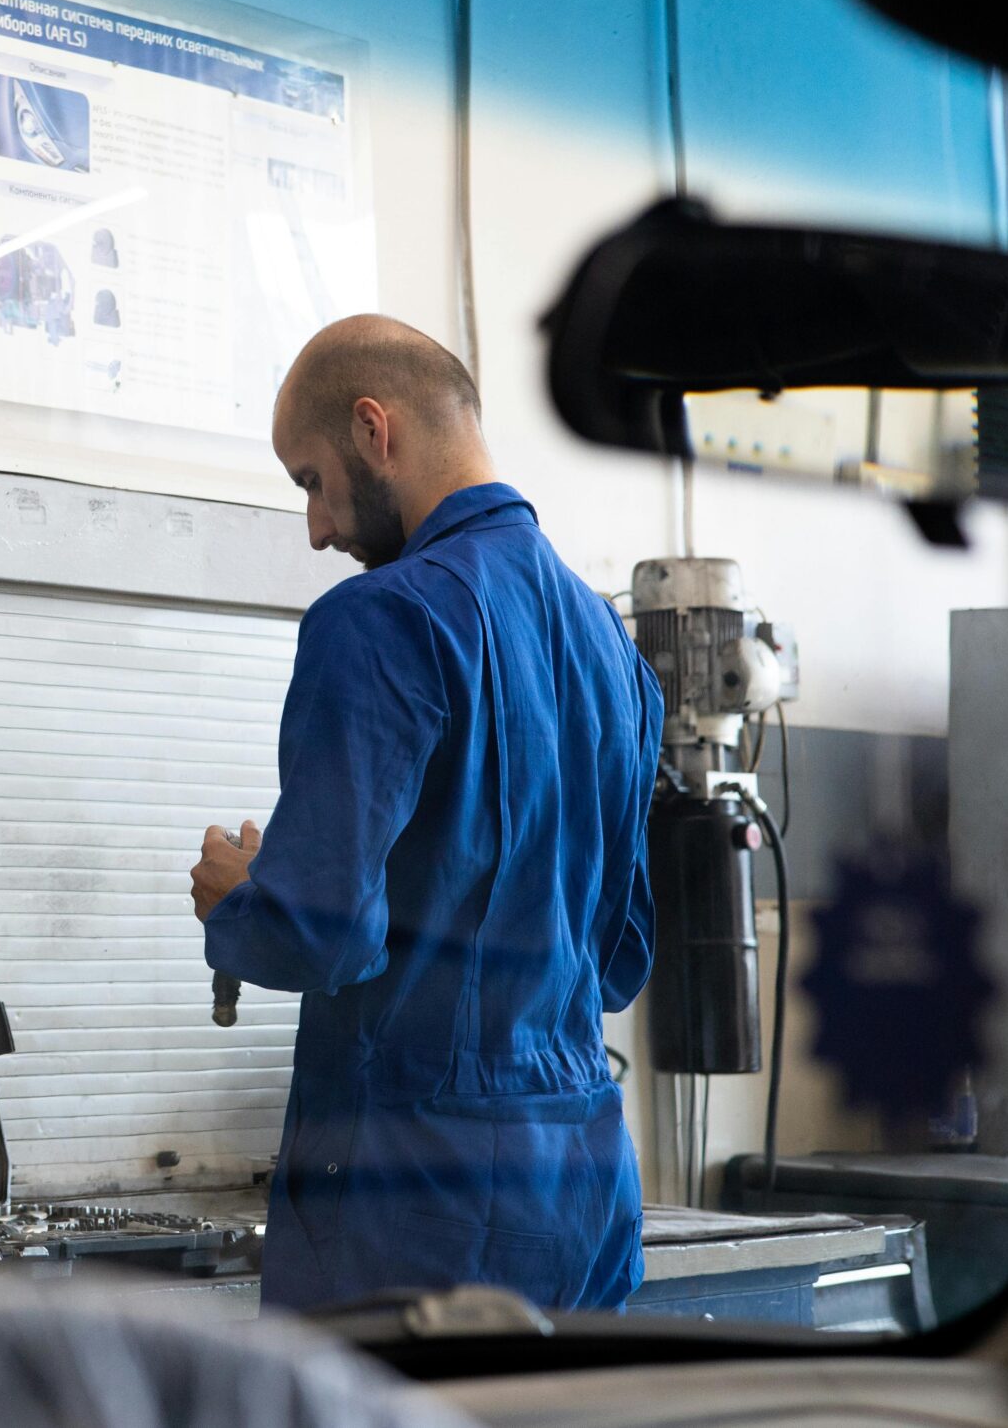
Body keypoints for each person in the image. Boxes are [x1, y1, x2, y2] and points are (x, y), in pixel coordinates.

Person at [191, 314, 661, 1312]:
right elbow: (620, 954)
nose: (316, 528)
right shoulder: (610, 643)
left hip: (414, 1198)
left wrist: (242, 902)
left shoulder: (379, 619)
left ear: (374, 428)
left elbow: (318, 935)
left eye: (309, 482)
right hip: (583, 1177)